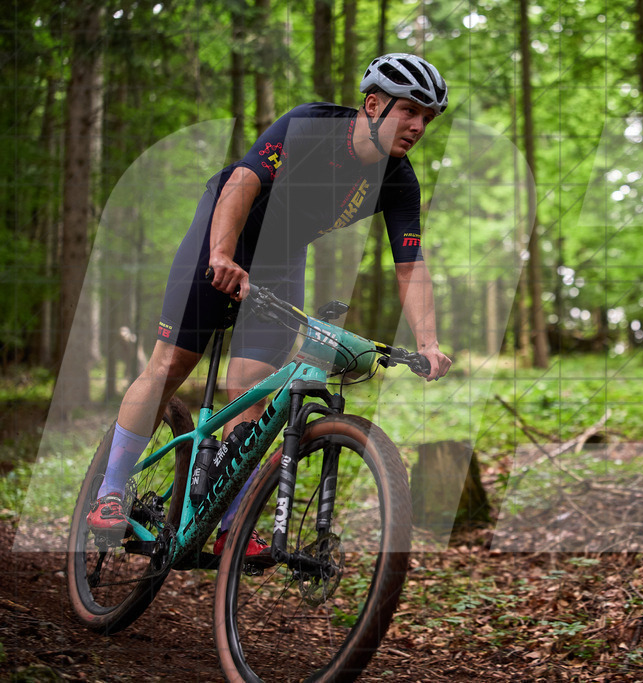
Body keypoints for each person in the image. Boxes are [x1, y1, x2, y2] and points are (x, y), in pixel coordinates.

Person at [86, 54, 454, 562]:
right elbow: (243, 181)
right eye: (410, 110)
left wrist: (429, 343)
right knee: (171, 363)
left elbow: (410, 264)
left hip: (281, 258)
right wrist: (220, 254)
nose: (417, 125)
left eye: (427, 118)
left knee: (254, 390)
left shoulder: (399, 181)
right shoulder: (310, 126)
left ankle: (227, 526)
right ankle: (109, 493)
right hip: (223, 233)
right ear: (373, 104)